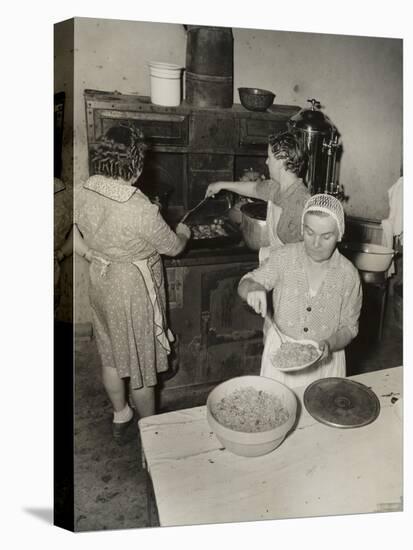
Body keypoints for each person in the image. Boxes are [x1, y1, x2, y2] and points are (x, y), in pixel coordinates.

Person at [74, 123, 191, 442]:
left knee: (111, 353)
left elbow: (73, 231)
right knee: (142, 366)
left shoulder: (83, 189)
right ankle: (152, 433)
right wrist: (183, 232)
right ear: (137, 166)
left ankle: (121, 413)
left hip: (100, 279)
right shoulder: (140, 209)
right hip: (132, 289)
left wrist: (87, 252)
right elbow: (173, 247)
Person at [238, 194, 362, 388]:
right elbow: (246, 282)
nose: (316, 244)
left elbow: (349, 327)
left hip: (325, 360)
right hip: (281, 353)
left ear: (339, 235)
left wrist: (329, 344)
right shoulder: (285, 257)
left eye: (326, 236)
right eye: (310, 232)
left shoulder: (348, 275)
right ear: (302, 229)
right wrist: (254, 288)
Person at [205, 131, 310, 264]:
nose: (266, 162)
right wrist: (221, 185)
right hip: (277, 263)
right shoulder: (276, 187)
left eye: (269, 157)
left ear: (281, 161)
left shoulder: (301, 201)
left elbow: (303, 256)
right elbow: (254, 188)